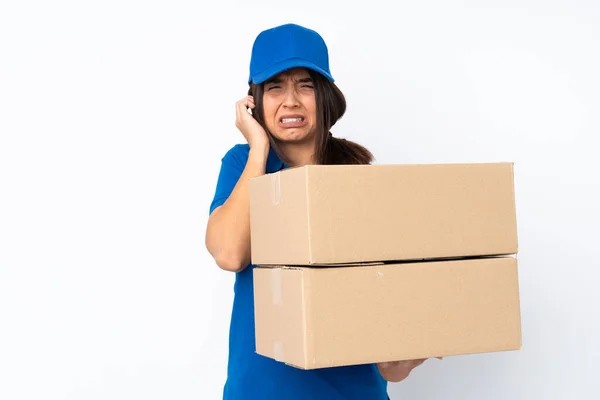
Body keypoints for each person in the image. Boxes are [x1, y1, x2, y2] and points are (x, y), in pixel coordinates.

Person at [205, 23, 430, 400]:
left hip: (351, 391)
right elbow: (229, 254)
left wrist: (406, 354)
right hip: (262, 391)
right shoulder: (242, 164)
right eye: (275, 86)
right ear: (254, 100)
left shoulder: (357, 174)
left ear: (324, 96)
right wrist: (258, 148)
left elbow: (387, 348)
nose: (290, 100)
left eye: (305, 86)